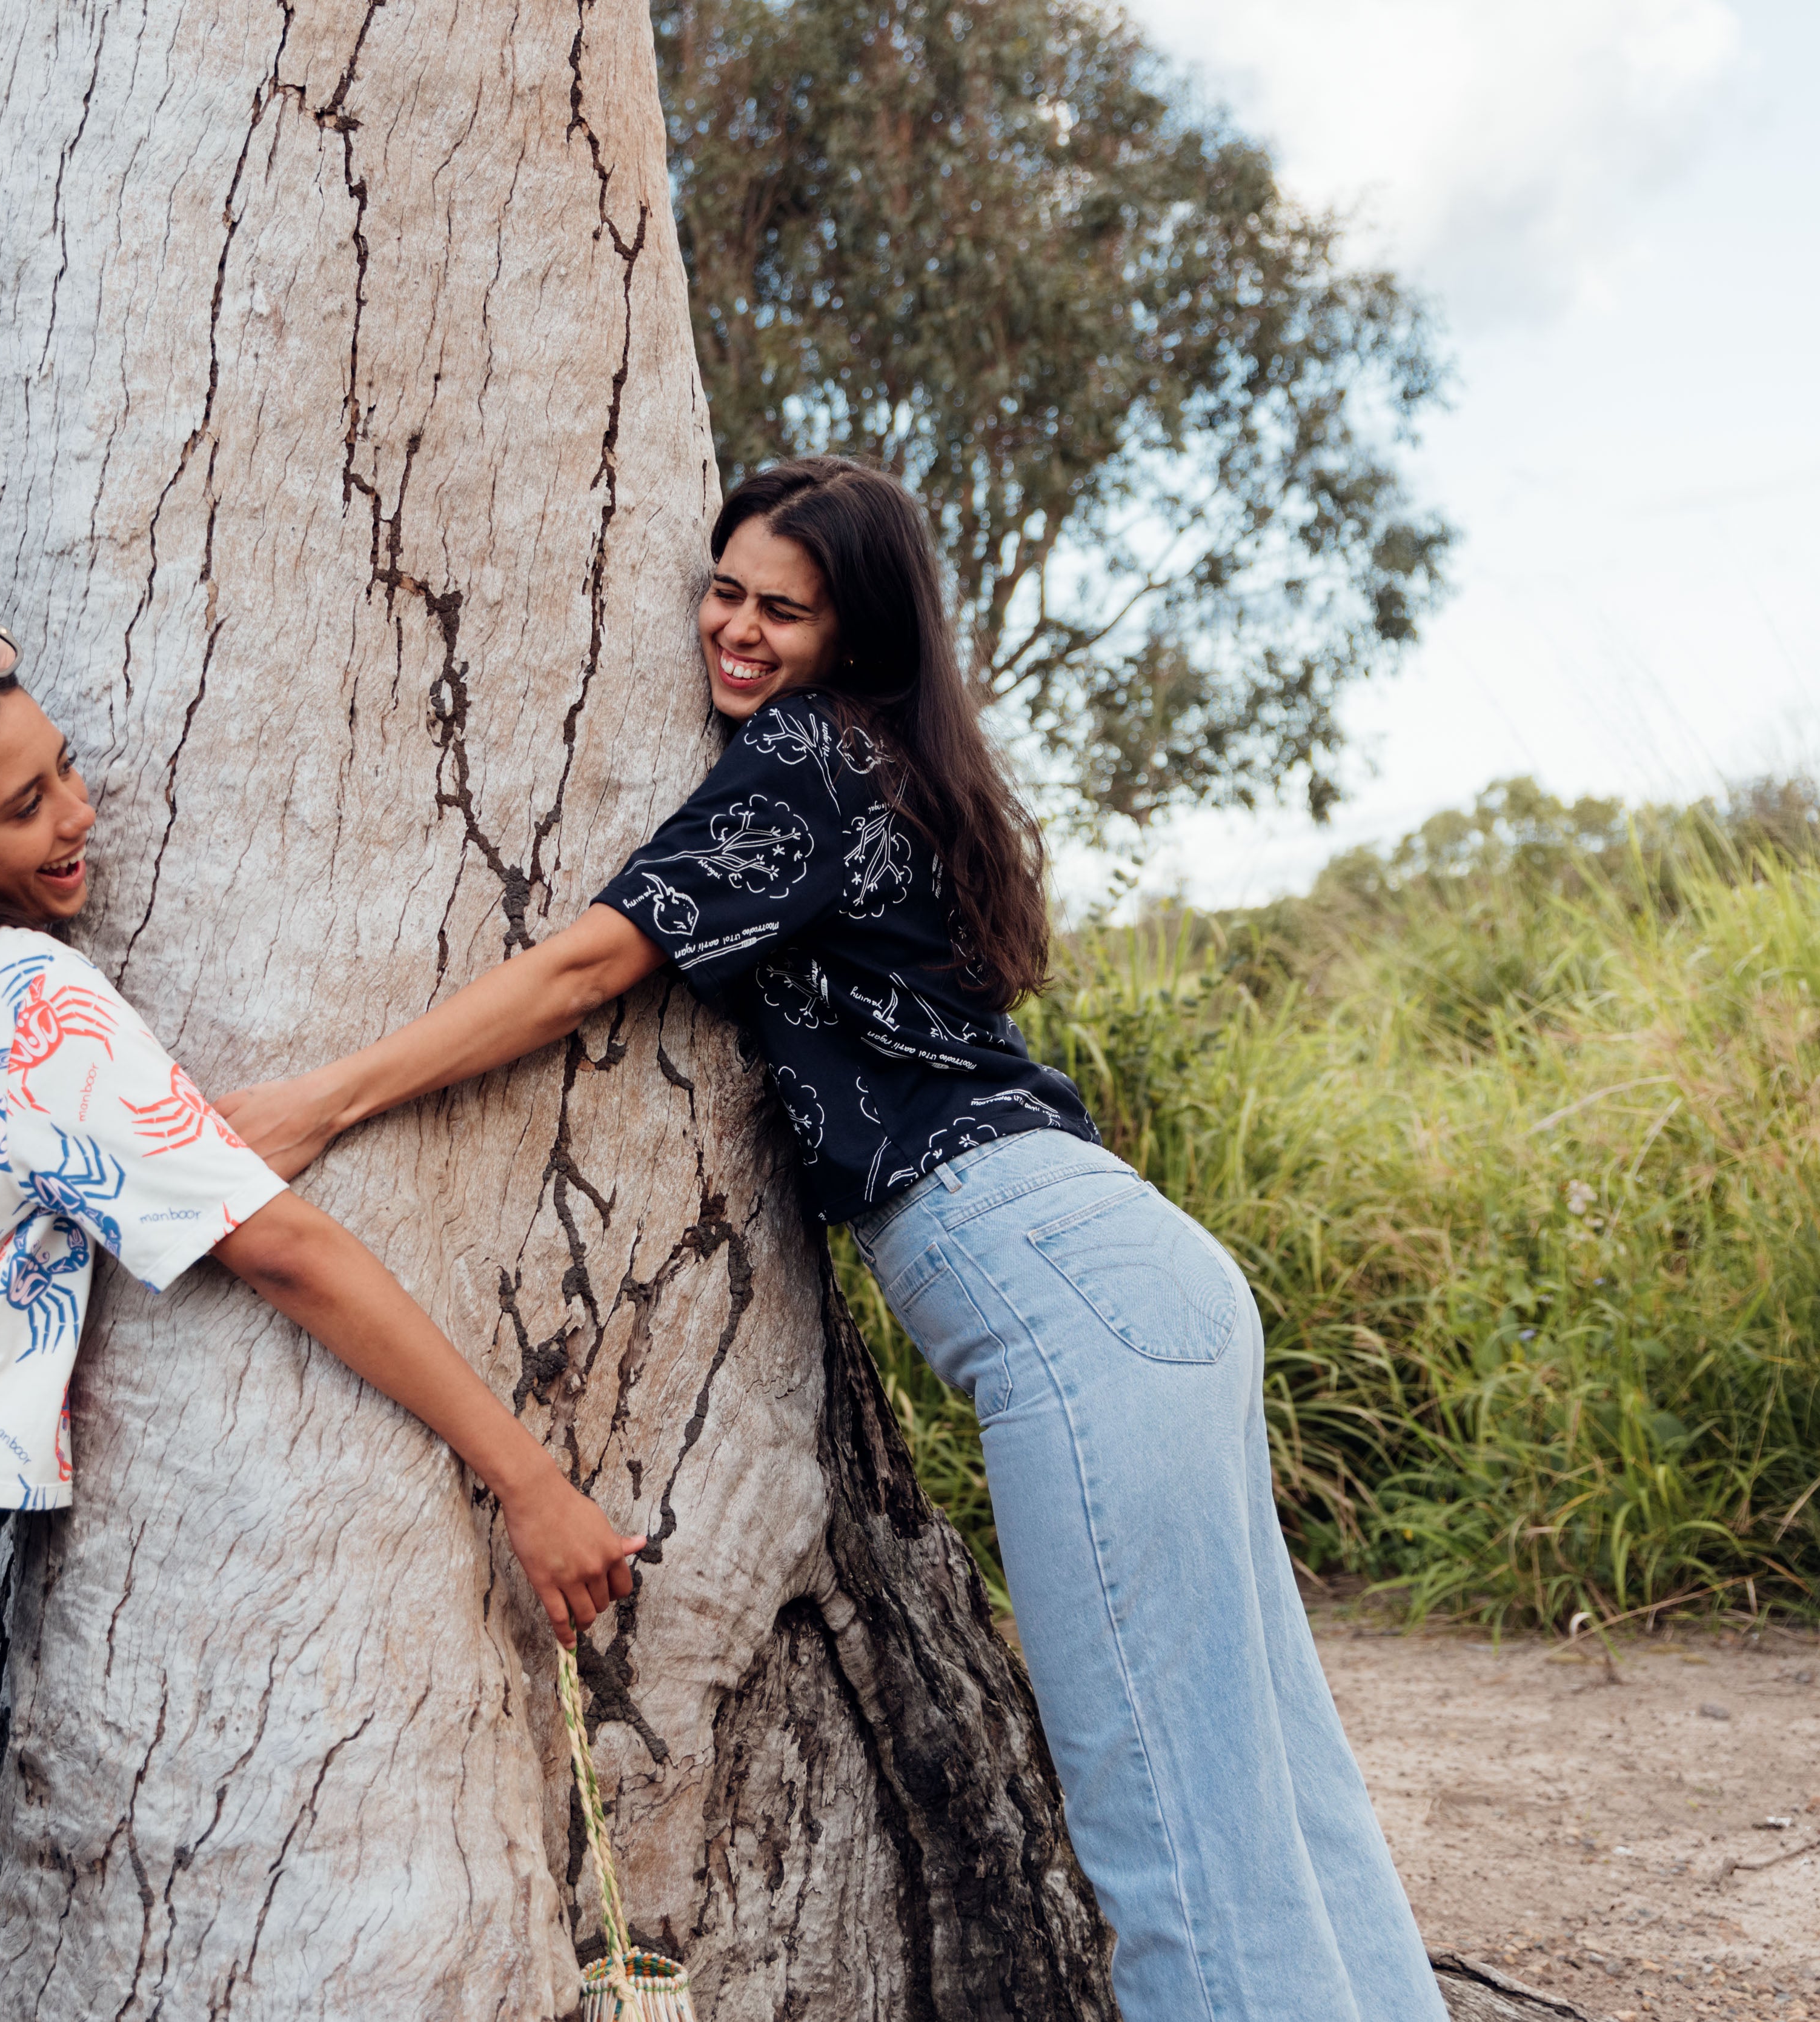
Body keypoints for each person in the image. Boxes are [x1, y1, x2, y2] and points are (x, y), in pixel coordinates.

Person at [218, 459, 1447, 2021]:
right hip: (1131, 1269)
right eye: (721, 590)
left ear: (853, 633)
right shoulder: (893, 763)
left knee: (1163, 1810)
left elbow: (587, 966)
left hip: (1063, 1283)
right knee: (1266, 1770)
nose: (733, 629)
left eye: (779, 609)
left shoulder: (804, 759)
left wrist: (325, 1099)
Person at [0, 634, 646, 2022]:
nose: (77, 813)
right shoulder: (27, 996)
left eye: (64, 770)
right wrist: (526, 1473)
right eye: (23, 808)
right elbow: (284, 1249)